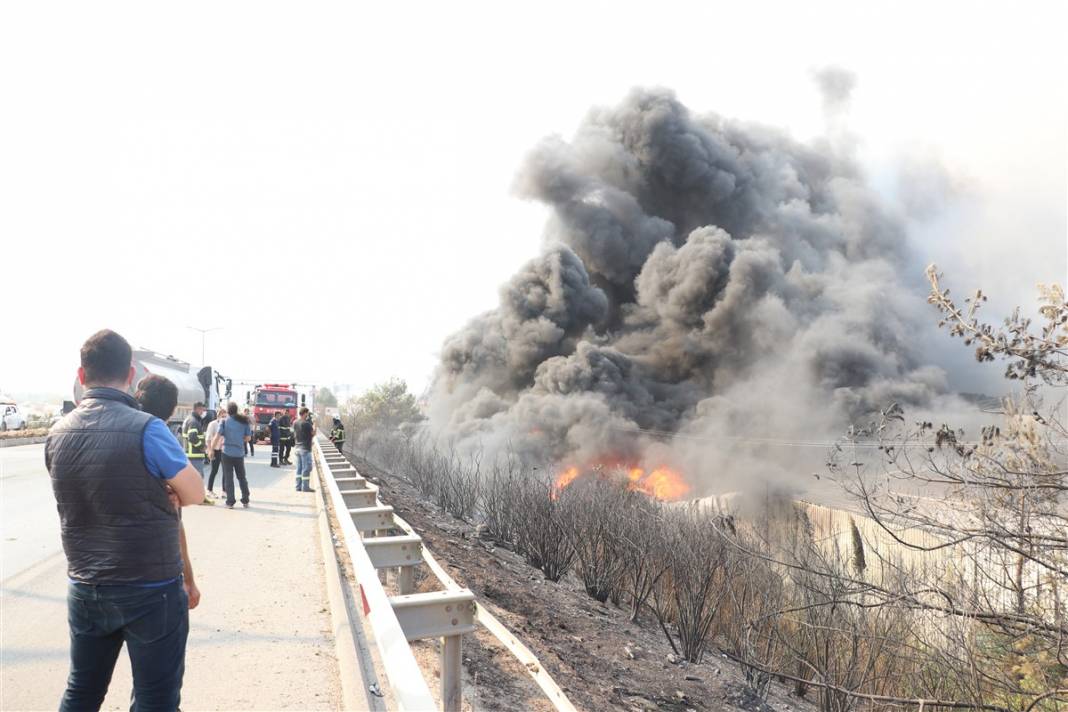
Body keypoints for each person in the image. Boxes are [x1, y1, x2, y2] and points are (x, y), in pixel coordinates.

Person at [47, 329, 204, 711]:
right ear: (131, 374)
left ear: (82, 376)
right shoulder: (148, 429)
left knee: (81, 691)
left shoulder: (57, 434)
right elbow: (196, 493)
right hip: (151, 589)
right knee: (155, 700)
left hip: (85, 586)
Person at [134, 375, 203, 607]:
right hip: (153, 576)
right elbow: (195, 494)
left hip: (88, 576)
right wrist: (190, 580)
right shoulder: (154, 432)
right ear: (173, 410)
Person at [213, 401, 252, 509]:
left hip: (226, 453)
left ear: (228, 411)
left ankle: (230, 502)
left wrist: (211, 449)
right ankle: (245, 500)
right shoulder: (244, 422)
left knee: (228, 478)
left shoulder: (224, 421)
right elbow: (248, 438)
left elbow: (217, 436)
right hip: (239, 454)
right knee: (242, 477)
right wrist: (239, 440)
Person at [183, 401, 208, 485]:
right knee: (197, 479)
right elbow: (192, 437)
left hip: (191, 455)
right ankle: (198, 498)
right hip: (194, 455)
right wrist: (202, 446)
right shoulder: (193, 421)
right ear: (198, 409)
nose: (203, 412)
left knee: (192, 479)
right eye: (203, 410)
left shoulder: (190, 419)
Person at [204, 408, 227, 497]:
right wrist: (210, 450)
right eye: (222, 416)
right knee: (214, 470)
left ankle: (224, 491)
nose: (224, 418)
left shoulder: (226, 424)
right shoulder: (213, 424)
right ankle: (209, 490)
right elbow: (208, 439)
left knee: (225, 471)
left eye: (225, 416)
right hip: (215, 450)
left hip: (224, 450)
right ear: (218, 416)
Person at [293, 406, 316, 492]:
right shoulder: (306, 424)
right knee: (307, 468)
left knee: (299, 468)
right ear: (305, 413)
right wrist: (315, 423)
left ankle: (298, 486)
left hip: (297, 448)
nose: (308, 415)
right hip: (305, 449)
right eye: (307, 413)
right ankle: (305, 487)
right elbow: (313, 433)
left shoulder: (295, 422)